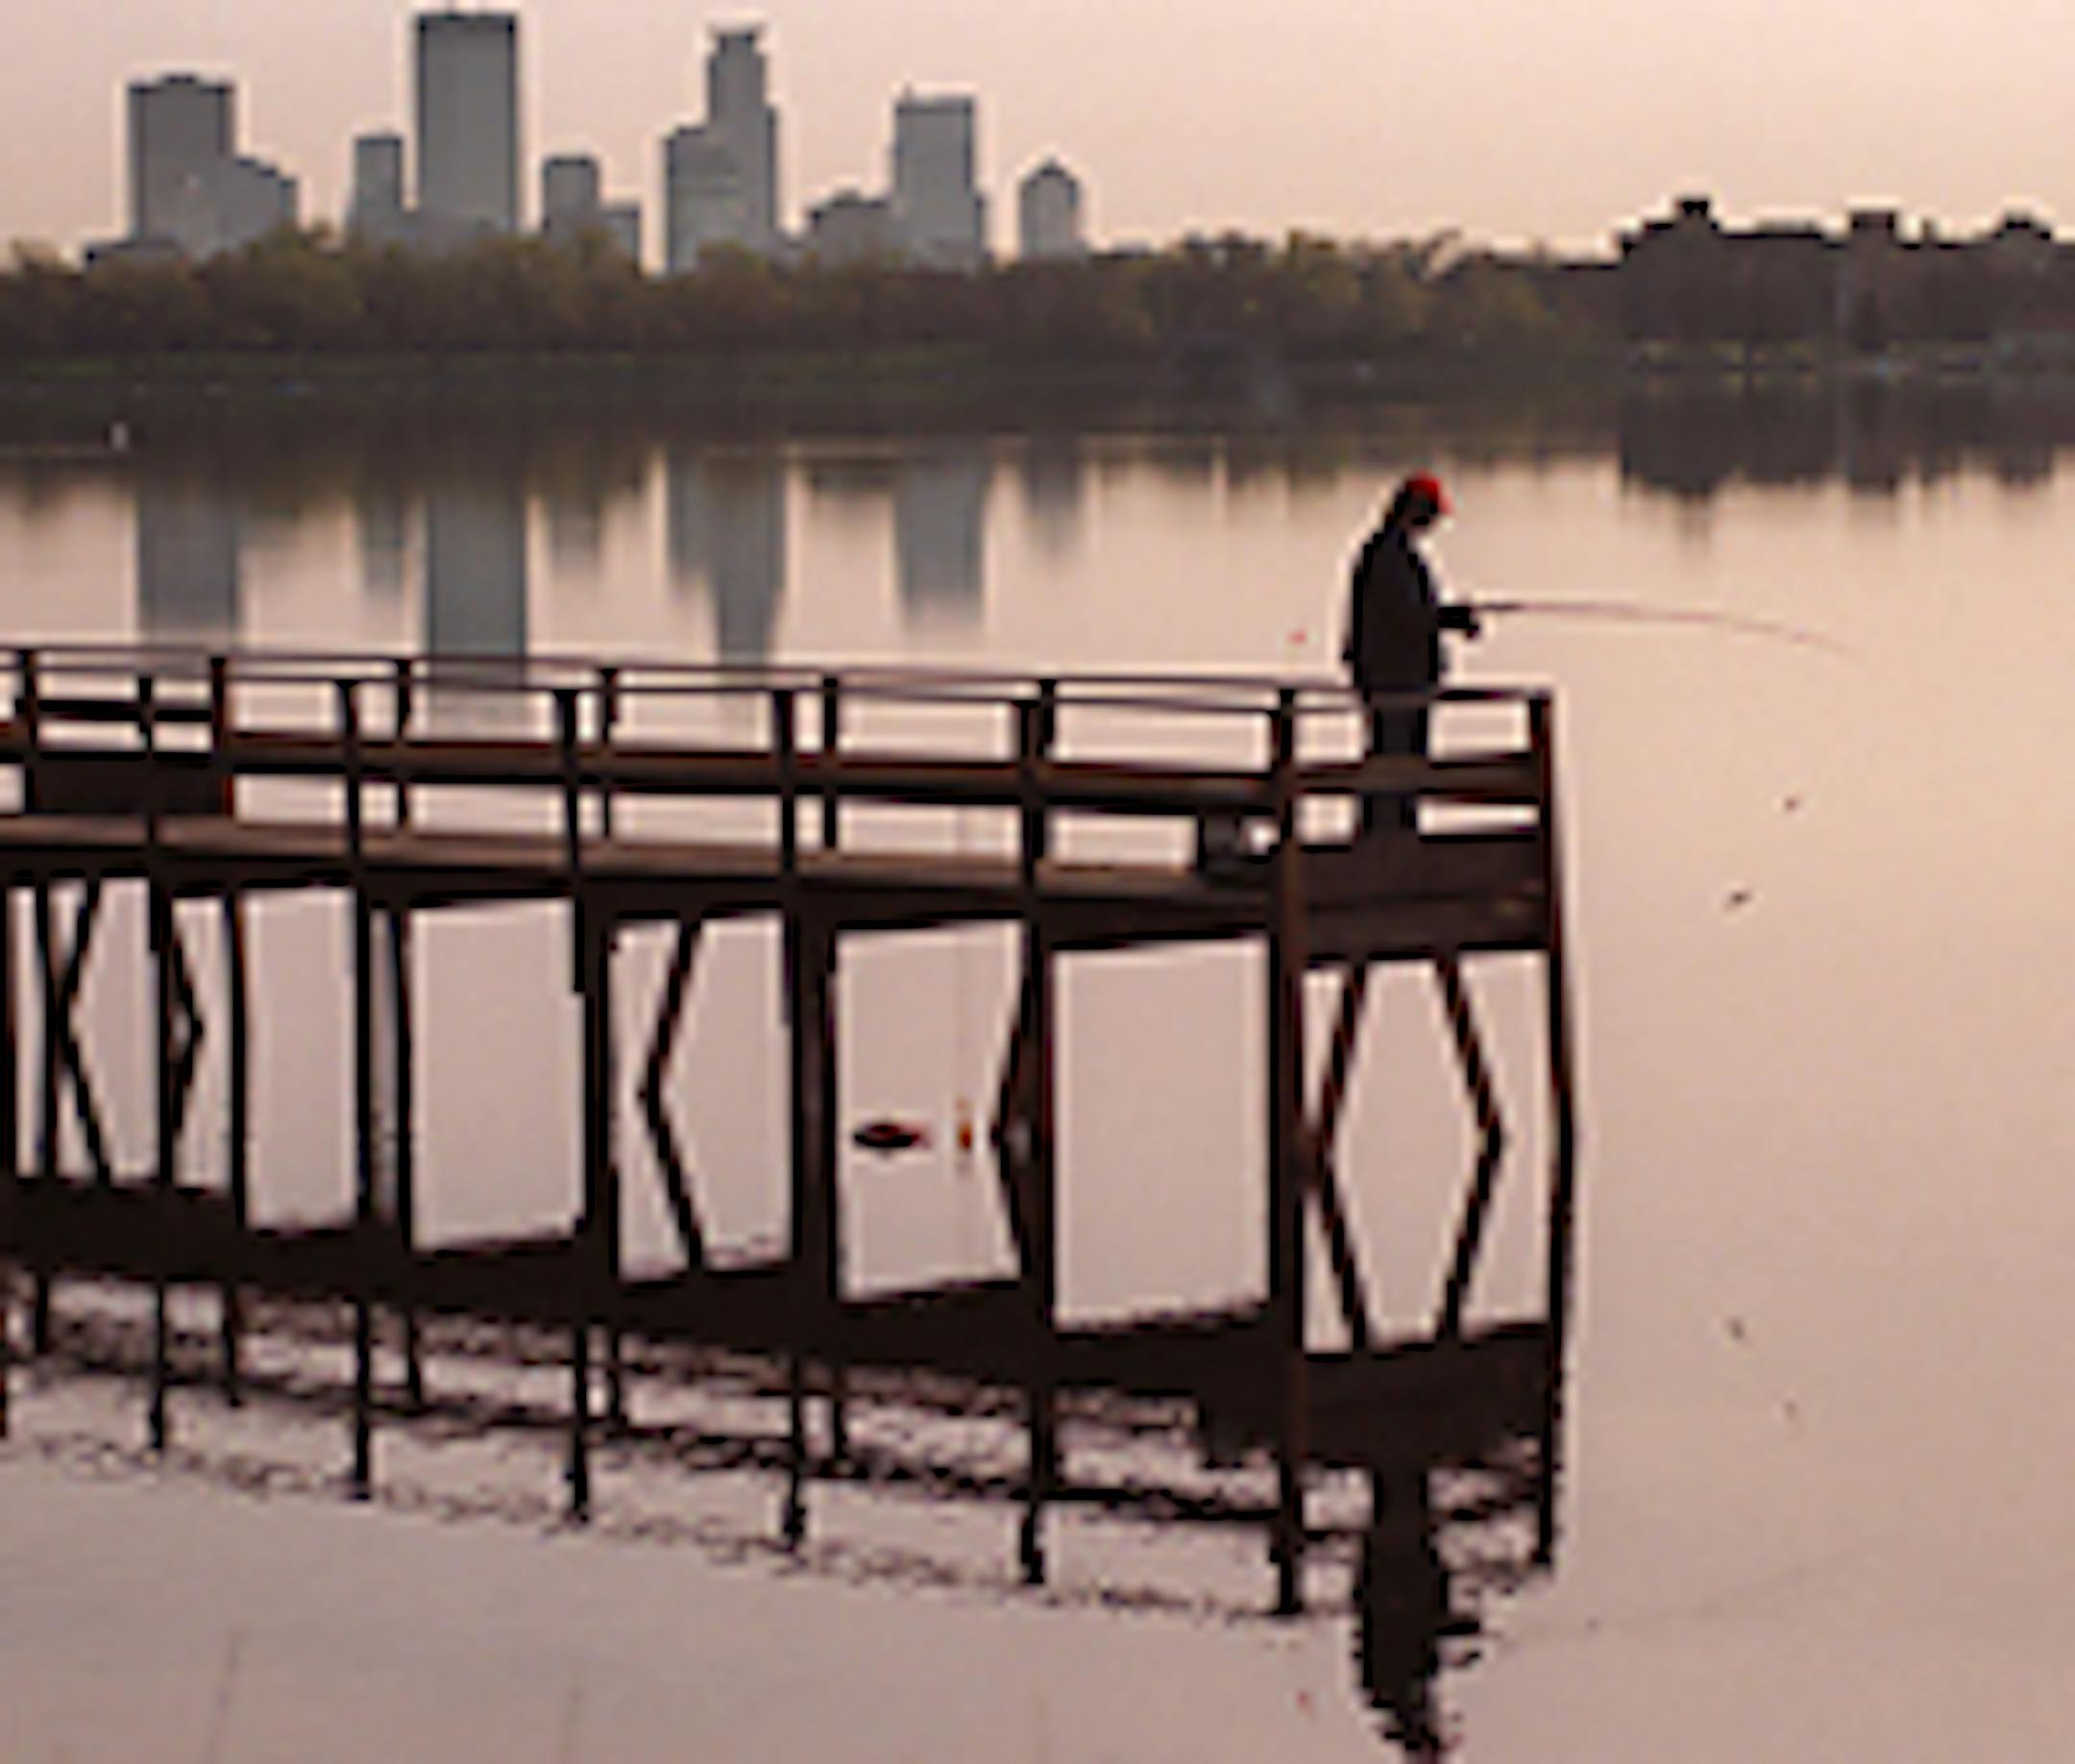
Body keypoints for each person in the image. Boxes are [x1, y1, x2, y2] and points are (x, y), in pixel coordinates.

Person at [1343, 472, 1480, 838]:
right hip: (1395, 682)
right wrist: (1451, 618)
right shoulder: (1389, 555)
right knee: (1395, 762)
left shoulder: (1390, 552)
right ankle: (1387, 837)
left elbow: (1414, 614)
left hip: (1397, 680)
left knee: (1398, 762)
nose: (1434, 524)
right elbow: (1407, 618)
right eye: (1432, 514)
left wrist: (1448, 618)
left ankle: (1391, 833)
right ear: (1416, 510)